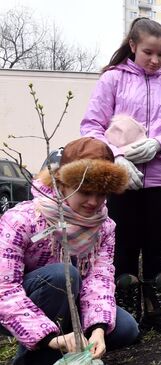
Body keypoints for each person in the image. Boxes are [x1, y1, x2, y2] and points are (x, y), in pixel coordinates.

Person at [80, 17, 161, 335]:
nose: (155, 60)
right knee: (124, 248)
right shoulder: (112, 81)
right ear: (133, 46)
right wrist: (116, 157)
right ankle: (127, 315)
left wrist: (160, 144)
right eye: (148, 52)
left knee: (156, 247)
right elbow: (91, 128)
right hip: (121, 180)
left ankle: (158, 311)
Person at [0, 137, 140, 364]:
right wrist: (49, 337)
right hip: (15, 303)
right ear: (61, 183)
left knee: (126, 329)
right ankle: (35, 357)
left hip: (69, 303)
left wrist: (97, 329)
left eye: (102, 193)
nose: (94, 202)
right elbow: (3, 289)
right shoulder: (22, 220)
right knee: (61, 274)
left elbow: (98, 278)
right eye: (85, 191)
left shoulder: (104, 226)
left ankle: (68, 343)